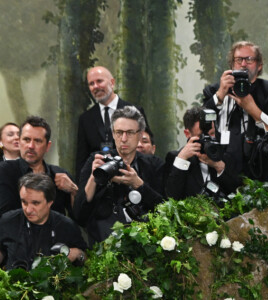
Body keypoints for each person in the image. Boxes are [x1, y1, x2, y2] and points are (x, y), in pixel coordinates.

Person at [73, 106, 164, 245]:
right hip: (103, 245)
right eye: (119, 132)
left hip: (144, 245)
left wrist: (138, 184)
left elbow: (164, 209)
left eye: (130, 133)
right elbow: (79, 216)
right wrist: (94, 177)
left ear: (140, 135)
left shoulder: (153, 164)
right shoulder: (97, 160)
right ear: (113, 134)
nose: (124, 138)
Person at [203, 41, 268, 182]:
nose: (243, 64)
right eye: (239, 60)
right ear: (232, 65)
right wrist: (219, 96)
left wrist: (254, 110)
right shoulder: (214, 91)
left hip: (259, 177)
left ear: (259, 65)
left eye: (249, 59)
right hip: (221, 176)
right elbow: (202, 126)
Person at [76, 66, 149, 182]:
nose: (96, 86)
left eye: (99, 81)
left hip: (132, 176)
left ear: (112, 82)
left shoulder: (135, 111)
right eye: (91, 84)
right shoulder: (85, 119)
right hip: (99, 181)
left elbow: (145, 145)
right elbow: (81, 157)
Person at [0, 173, 87, 271]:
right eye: (24, 202)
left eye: (35, 203)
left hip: (53, 284)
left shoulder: (67, 226)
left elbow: (85, 258)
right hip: (13, 283)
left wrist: (77, 254)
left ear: (50, 202)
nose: (28, 210)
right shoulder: (7, 221)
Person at [0, 116, 78, 217]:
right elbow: (4, 218)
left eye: (37, 141)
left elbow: (79, 218)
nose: (31, 146)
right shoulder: (4, 171)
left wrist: (73, 191)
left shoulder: (61, 175)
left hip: (55, 232)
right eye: (26, 139)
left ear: (47, 146)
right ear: (19, 142)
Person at [165, 106, 241, 201]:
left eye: (212, 134)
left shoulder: (224, 155)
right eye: (202, 135)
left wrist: (218, 166)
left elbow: (236, 193)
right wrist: (182, 158)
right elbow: (172, 198)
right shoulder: (176, 158)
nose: (209, 140)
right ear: (187, 134)